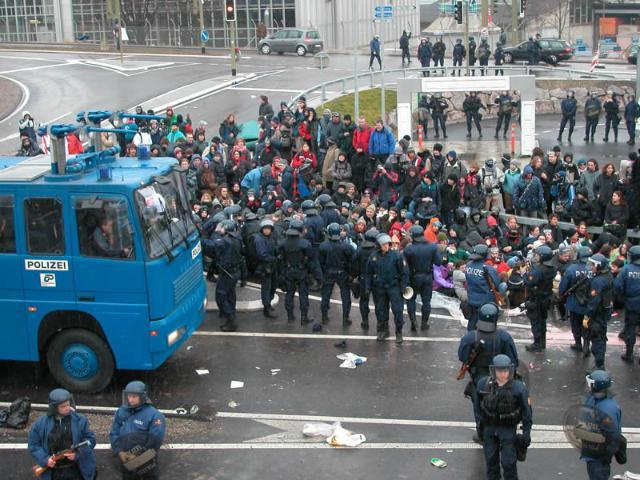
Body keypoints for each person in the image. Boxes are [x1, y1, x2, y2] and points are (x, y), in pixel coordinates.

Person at [458, 304, 519, 442]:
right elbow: (514, 361)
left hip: (478, 380)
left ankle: (482, 435)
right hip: (501, 380)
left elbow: (462, 357)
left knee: (479, 408)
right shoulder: (504, 337)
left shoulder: (470, 338)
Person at [475, 355, 532, 480]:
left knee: (509, 463)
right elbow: (477, 407)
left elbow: (527, 412)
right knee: (491, 462)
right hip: (489, 429)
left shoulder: (519, 388)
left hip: (508, 430)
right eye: (500, 370)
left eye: (505, 370)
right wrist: (479, 427)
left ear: (510, 370)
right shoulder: (483, 384)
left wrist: (526, 433)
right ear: (494, 370)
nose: (503, 374)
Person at [28, 388, 96, 480]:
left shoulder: (80, 420)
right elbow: (33, 445)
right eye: (63, 406)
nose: (67, 408)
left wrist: (78, 454)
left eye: (68, 404)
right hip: (53, 473)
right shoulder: (40, 424)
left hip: (76, 470)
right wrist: (45, 459)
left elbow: (91, 440)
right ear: (54, 408)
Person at [110, 381, 166, 480]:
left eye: (134, 397)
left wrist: (137, 456)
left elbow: (155, 442)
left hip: (147, 465)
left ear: (143, 397)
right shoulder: (121, 411)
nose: (130, 400)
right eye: (129, 396)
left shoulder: (155, 416)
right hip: (126, 462)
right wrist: (119, 452)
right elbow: (114, 433)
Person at [365, 233, 408, 343]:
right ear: (379, 245)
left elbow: (404, 272)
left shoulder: (396, 255)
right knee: (380, 310)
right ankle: (383, 330)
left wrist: (403, 286)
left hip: (394, 287)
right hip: (379, 288)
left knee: (398, 311)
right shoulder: (373, 257)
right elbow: (368, 273)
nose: (386, 246)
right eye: (383, 244)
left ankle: (399, 332)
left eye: (387, 244)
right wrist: (367, 286)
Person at [580, 370, 622, 480]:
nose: (588, 386)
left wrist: (605, 457)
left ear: (596, 386)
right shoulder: (593, 397)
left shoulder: (607, 410)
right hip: (592, 450)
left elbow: (613, 436)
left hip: (598, 456)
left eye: (590, 383)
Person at [204, 219, 245, 332]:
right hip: (235, 272)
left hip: (227, 273)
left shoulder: (226, 241)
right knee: (230, 294)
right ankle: (231, 313)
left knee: (220, 295)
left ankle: (231, 319)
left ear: (227, 228)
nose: (220, 229)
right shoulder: (237, 238)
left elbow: (210, 246)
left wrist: (202, 237)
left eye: (222, 227)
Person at [278, 219, 320, 325]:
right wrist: (317, 276)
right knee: (303, 295)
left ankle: (290, 316)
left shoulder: (282, 243)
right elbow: (311, 261)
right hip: (302, 271)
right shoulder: (305, 244)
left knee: (289, 294)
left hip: (288, 271)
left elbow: (280, 259)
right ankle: (304, 317)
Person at [404, 225, 444, 331]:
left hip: (413, 277)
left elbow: (405, 267)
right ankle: (424, 323)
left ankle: (413, 322)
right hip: (427, 277)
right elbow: (439, 262)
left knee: (411, 300)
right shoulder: (432, 247)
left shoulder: (409, 249)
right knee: (426, 301)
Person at [559, 247, 594, 353]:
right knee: (587, 324)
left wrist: (561, 295)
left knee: (575, 324)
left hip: (575, 302)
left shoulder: (571, 268)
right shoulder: (593, 268)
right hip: (590, 303)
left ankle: (578, 344)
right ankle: (586, 345)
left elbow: (564, 286)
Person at [319, 222, 354, 326]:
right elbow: (350, 261)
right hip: (342, 273)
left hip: (328, 273)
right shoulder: (346, 246)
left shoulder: (323, 246)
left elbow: (320, 262)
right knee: (345, 297)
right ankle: (345, 318)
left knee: (325, 296)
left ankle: (324, 316)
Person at [584, 253, 614, 370]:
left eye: (593, 265)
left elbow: (594, 301)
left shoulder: (598, 281)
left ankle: (599, 365)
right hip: (604, 312)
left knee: (597, 339)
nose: (591, 267)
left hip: (597, 314)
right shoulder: (608, 275)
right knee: (600, 336)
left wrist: (588, 315)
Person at [524, 245, 555, 352]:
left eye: (537, 255)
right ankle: (542, 342)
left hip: (536, 299)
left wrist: (525, 273)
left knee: (536, 321)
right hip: (546, 298)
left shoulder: (539, 270)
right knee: (542, 320)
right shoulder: (551, 268)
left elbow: (529, 281)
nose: (535, 256)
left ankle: (537, 343)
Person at [465, 244, 501, 331]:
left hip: (471, 299)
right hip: (485, 302)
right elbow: (496, 284)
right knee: (487, 325)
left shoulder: (468, 265)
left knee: (472, 322)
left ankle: (470, 339)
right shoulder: (489, 269)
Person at [615, 245, 640, 363]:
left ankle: (629, 353)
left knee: (630, 328)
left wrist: (622, 299)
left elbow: (618, 286)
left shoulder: (627, 269)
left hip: (631, 304)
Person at [352, 228, 379, 330]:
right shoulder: (378, 250)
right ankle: (380, 322)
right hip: (377, 279)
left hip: (363, 278)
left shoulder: (360, 249)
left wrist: (355, 276)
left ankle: (365, 320)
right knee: (379, 301)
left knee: (364, 300)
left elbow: (354, 264)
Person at [255, 219, 278, 318]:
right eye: (265, 228)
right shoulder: (259, 239)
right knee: (266, 288)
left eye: (269, 228)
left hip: (272, 266)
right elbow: (261, 254)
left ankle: (268, 303)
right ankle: (266, 308)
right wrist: (274, 258)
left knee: (273, 286)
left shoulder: (271, 237)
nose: (267, 230)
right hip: (265, 267)